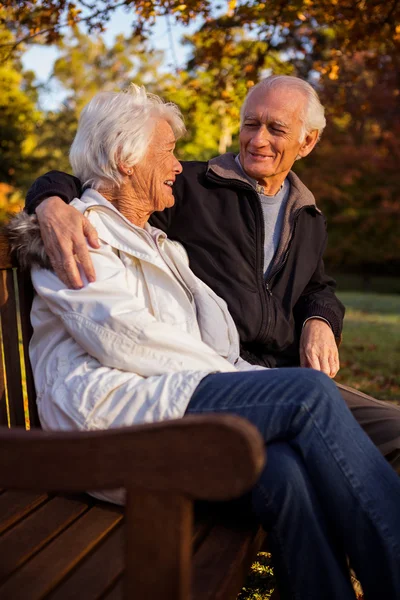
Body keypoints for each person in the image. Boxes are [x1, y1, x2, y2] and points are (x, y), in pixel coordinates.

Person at [10, 84, 400, 600]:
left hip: (170, 397)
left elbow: (257, 313)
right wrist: (51, 201)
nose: (177, 164)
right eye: (167, 151)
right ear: (128, 161)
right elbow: (123, 337)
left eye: (276, 128)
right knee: (308, 394)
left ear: (307, 142)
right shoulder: (80, 235)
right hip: (113, 420)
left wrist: (313, 324)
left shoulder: (164, 241)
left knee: (284, 472)